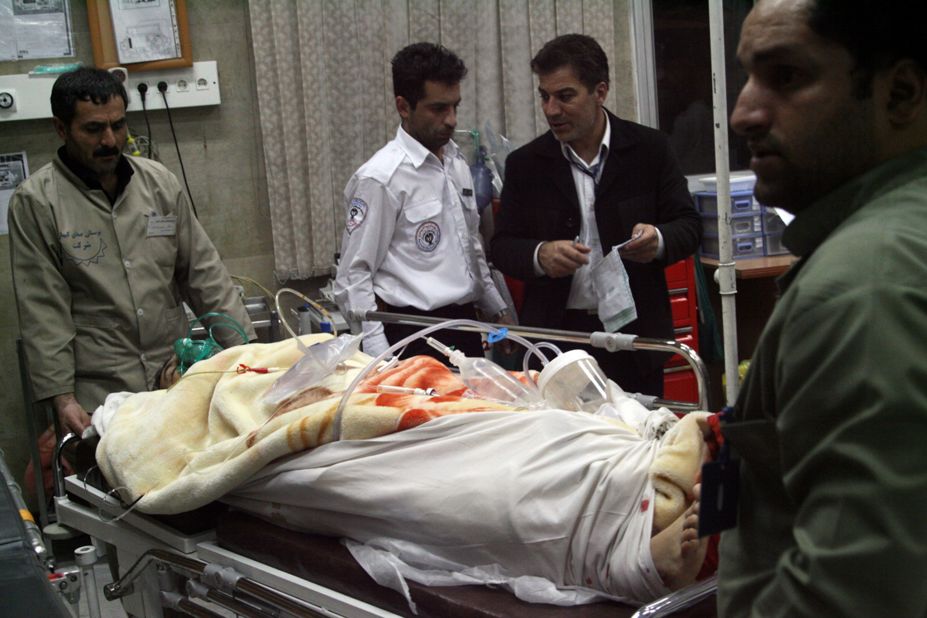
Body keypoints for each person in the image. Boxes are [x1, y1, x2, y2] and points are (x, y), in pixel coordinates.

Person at [717, 1, 927, 615]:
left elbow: (852, 596)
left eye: (787, 77)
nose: (743, 113)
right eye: (748, 77)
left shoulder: (864, 287)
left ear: (901, 93)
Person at [8, 68, 255, 437]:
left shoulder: (158, 183)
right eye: (93, 129)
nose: (110, 139)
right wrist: (61, 397)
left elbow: (203, 274)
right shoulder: (38, 202)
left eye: (118, 125)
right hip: (100, 393)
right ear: (61, 129)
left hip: (174, 378)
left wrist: (250, 357)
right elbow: (43, 309)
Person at [491, 34, 702, 397]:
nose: (551, 110)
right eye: (544, 96)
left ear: (600, 91)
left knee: (636, 440)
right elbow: (502, 247)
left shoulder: (649, 150)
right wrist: (539, 255)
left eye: (565, 96)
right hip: (558, 340)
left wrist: (658, 239)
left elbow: (689, 226)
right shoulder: (526, 165)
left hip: (634, 337)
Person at [334, 42, 512, 360]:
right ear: (404, 107)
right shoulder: (381, 178)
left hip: (465, 324)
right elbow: (353, 276)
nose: (452, 119)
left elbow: (470, 246)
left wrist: (498, 310)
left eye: (455, 106)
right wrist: (381, 356)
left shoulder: (456, 163)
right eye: (438, 108)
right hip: (410, 332)